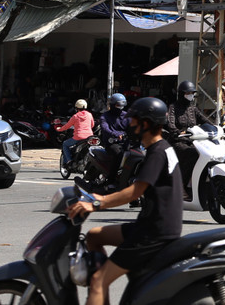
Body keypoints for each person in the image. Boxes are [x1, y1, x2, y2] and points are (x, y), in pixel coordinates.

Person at [66, 96, 182, 305]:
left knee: (98, 281)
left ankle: (100, 286)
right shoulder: (164, 148)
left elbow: (133, 193)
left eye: (134, 121)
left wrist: (96, 203)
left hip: (153, 233)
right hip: (150, 224)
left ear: (145, 124)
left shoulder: (156, 152)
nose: (130, 125)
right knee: (93, 236)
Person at [166, 80, 210, 191]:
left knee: (206, 153)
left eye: (192, 93)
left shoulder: (193, 108)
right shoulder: (173, 107)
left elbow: (205, 120)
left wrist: (219, 128)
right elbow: (170, 124)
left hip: (193, 140)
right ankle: (182, 186)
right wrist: (177, 132)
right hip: (178, 141)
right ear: (181, 94)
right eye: (188, 93)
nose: (190, 96)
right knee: (193, 154)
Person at [58, 98, 95, 171]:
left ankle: (69, 161)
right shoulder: (89, 115)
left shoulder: (75, 116)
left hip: (78, 137)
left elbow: (67, 126)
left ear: (76, 107)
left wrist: (59, 129)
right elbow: (92, 125)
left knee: (65, 144)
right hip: (89, 136)